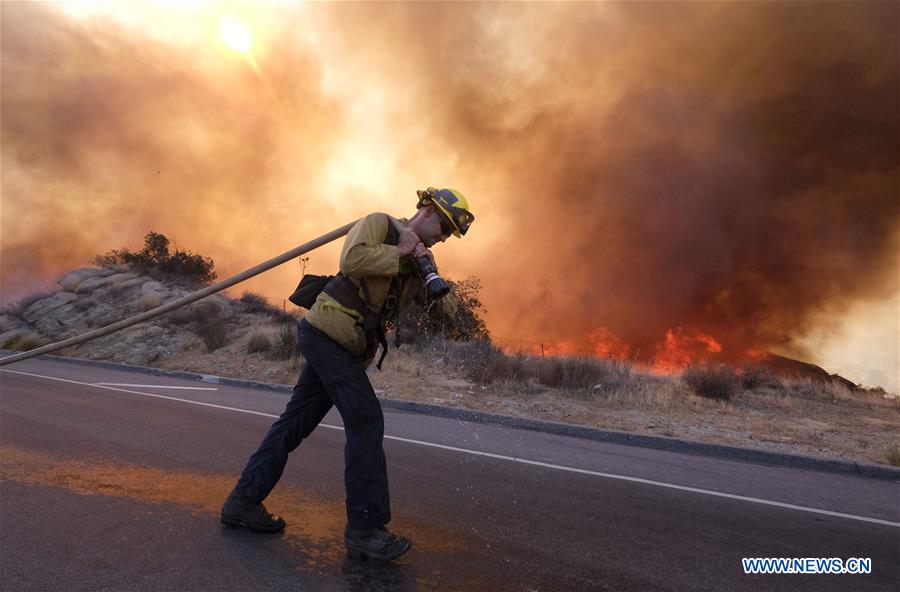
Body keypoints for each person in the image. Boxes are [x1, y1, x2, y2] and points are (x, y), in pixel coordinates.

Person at [220, 188, 474, 561]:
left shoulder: (420, 261)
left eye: (450, 234)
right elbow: (352, 259)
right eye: (444, 226)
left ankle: (242, 502)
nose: (443, 236)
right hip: (326, 334)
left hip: (347, 349)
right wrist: (401, 250)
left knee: (293, 425)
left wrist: (430, 274)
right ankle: (365, 529)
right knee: (366, 421)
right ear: (426, 208)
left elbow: (440, 312)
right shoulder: (380, 224)